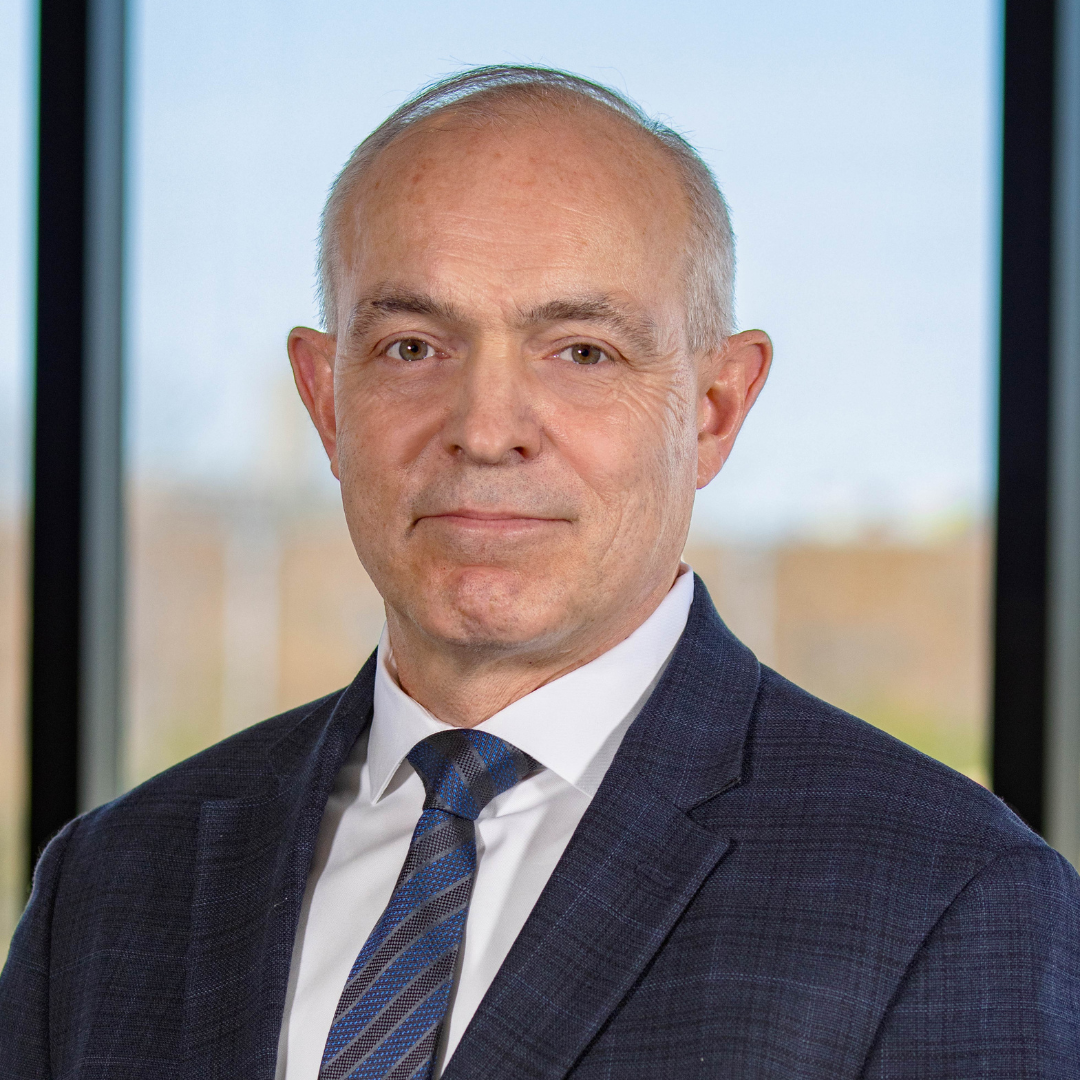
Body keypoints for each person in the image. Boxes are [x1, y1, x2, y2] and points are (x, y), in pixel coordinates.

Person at [2, 64, 1079, 1080]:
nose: (485, 429)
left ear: (715, 409)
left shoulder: (950, 898)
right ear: (326, 402)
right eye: (414, 346)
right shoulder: (110, 884)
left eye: (582, 352)